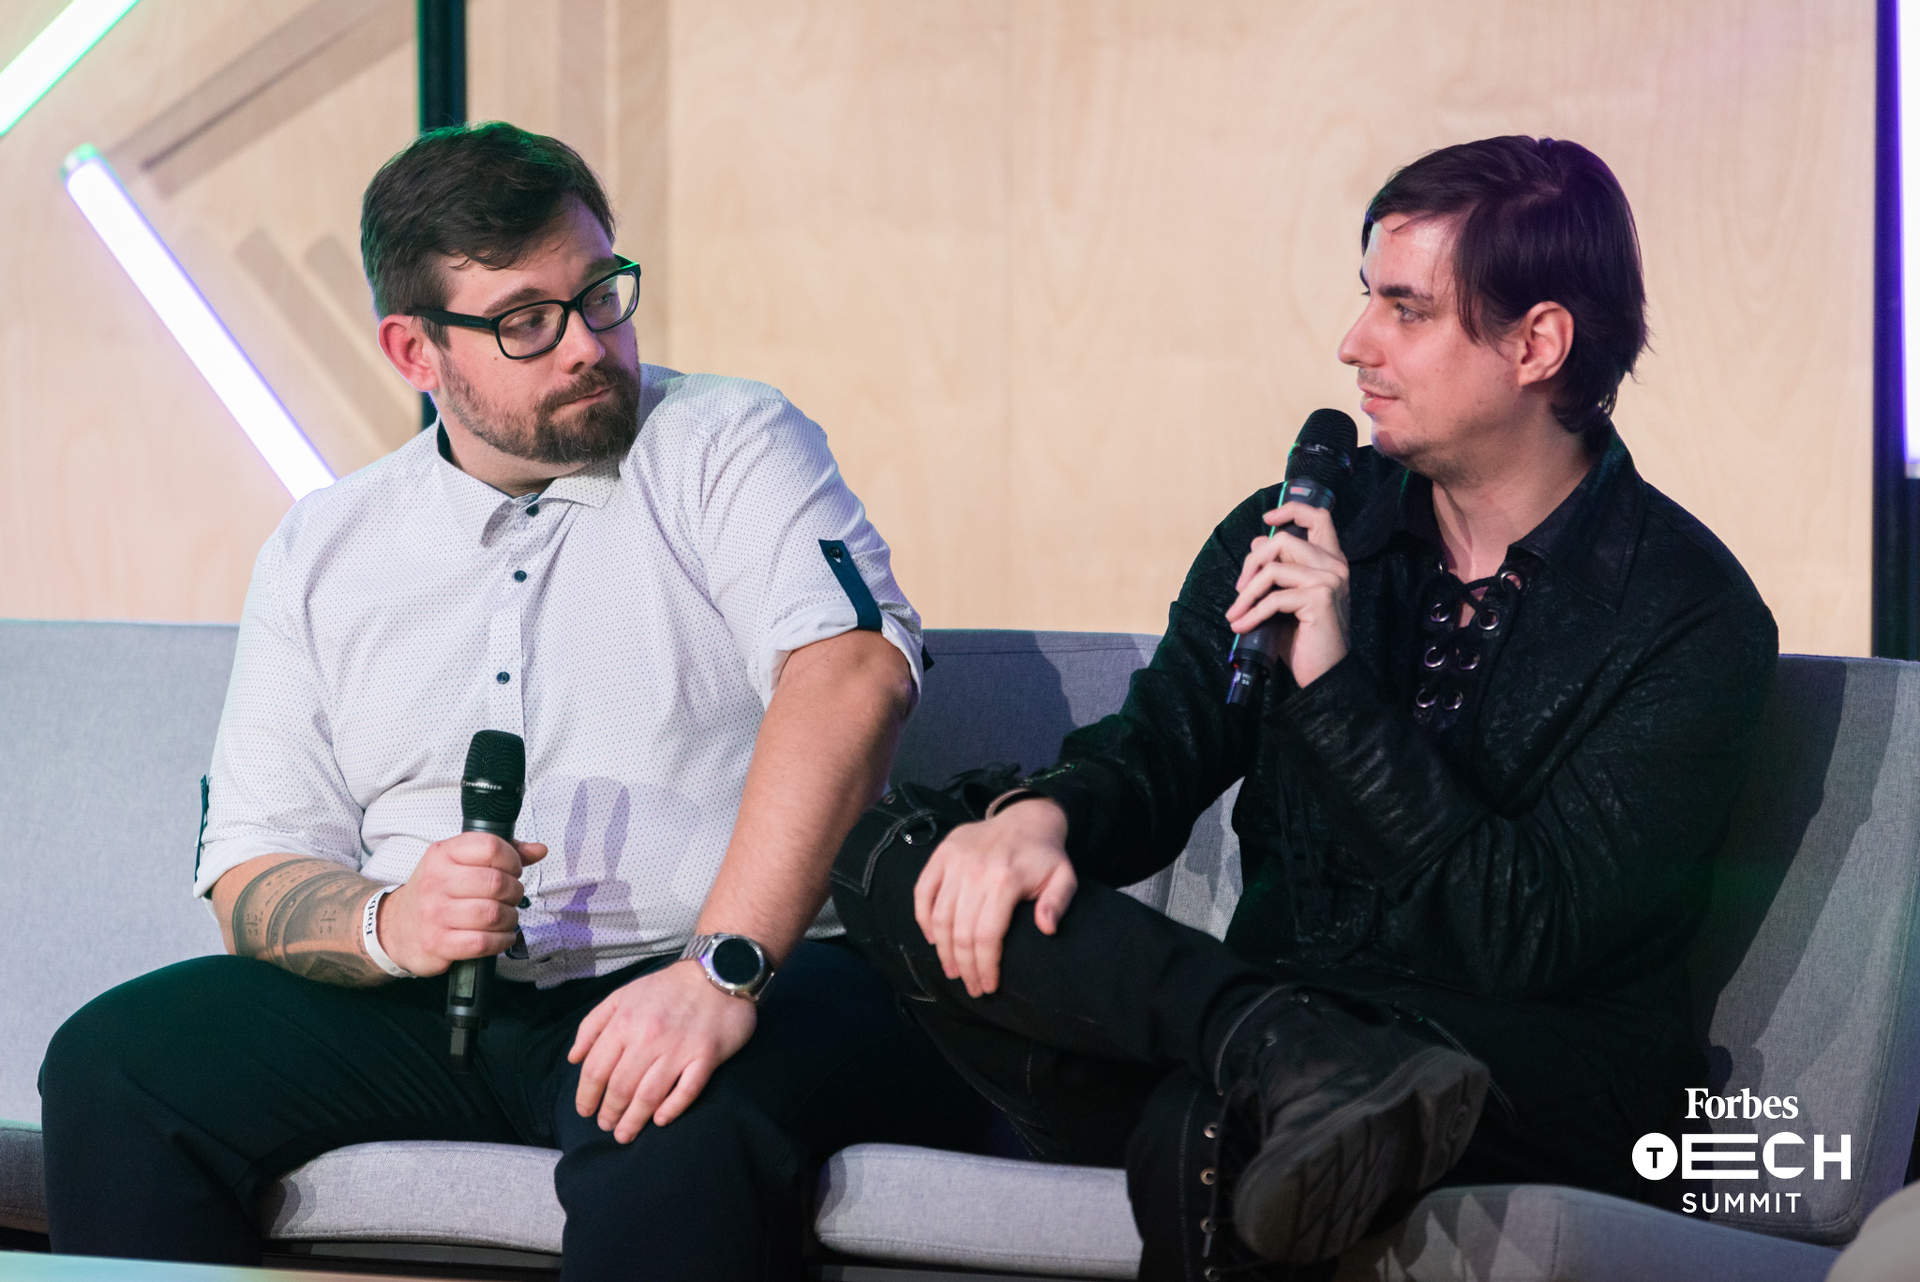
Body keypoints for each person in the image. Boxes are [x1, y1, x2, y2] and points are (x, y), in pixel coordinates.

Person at [39, 122, 987, 1281]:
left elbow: (851, 674)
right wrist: (391, 921)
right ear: (414, 350)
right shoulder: (322, 545)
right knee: (116, 1066)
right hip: (443, 1007)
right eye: (527, 320)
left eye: (601, 294)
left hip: (740, 974)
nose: (587, 344)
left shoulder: (726, 438)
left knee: (664, 1116)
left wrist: (719, 968)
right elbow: (251, 873)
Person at [832, 135, 1779, 1279]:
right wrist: (1046, 817)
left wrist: (1331, 685)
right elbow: (1158, 750)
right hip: (1271, 1017)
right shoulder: (1299, 521)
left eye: (1405, 309)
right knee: (894, 856)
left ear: (1537, 343)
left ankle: (1276, 1060)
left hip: (1527, 1073)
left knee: (1214, 1123)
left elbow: (1526, 930)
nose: (1354, 341)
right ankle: (1279, 1050)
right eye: (1365, 295)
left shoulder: (1688, 615)